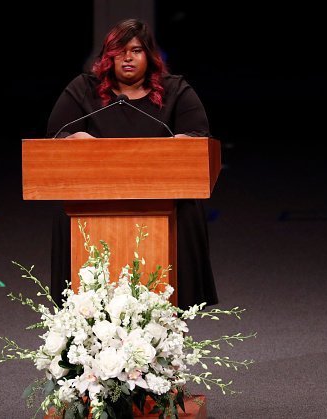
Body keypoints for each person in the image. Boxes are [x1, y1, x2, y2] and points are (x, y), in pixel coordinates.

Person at [46, 18, 217, 310]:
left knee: (187, 209)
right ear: (107, 56)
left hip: (165, 205)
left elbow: (199, 141)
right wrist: (73, 138)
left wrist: (180, 144)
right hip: (93, 204)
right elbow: (55, 137)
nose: (127, 57)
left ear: (149, 56)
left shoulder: (175, 90)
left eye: (136, 50)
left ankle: (169, 324)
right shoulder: (83, 89)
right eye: (119, 50)